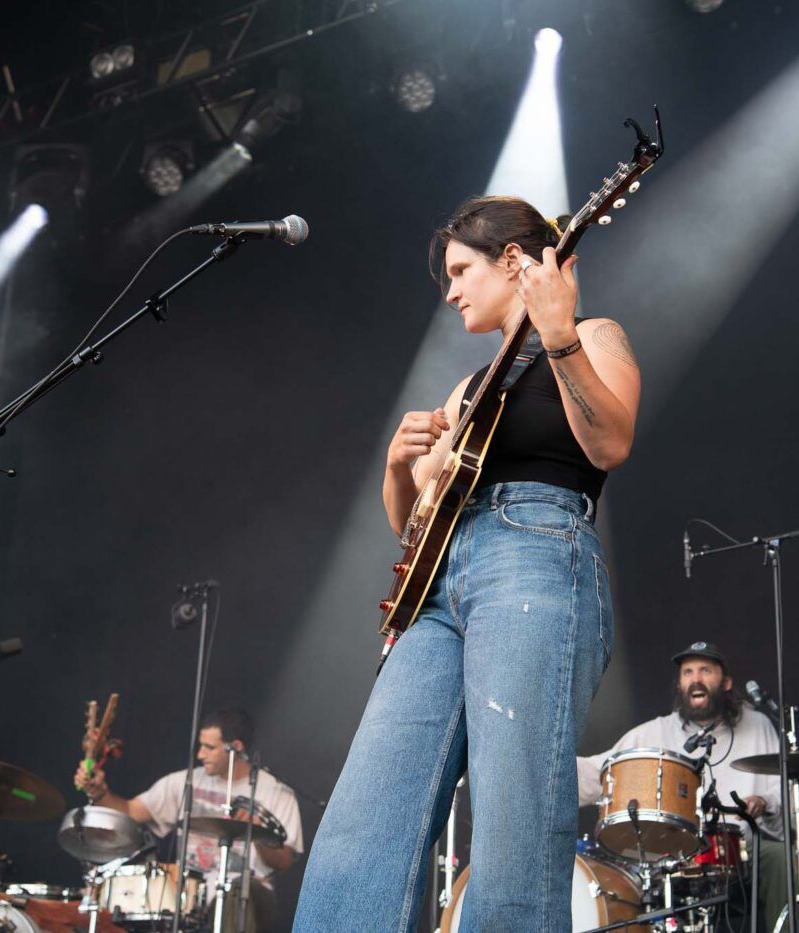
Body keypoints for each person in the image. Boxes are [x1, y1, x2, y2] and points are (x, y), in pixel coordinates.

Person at [293, 195, 642, 932]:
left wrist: (558, 336)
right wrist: (397, 469)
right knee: (365, 816)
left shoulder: (592, 334)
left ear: (513, 261)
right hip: (442, 587)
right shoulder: (465, 390)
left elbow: (609, 444)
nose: (450, 290)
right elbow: (418, 528)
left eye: (460, 270)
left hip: (537, 553)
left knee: (515, 819)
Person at [578, 642, 789, 930]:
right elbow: (599, 772)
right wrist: (544, 766)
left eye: (705, 670)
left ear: (726, 682)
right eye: (688, 672)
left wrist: (764, 802)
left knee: (780, 856)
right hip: (675, 851)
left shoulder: (759, 724)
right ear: (680, 684)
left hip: (740, 846)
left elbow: (783, 793)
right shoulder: (656, 731)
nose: (696, 679)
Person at [73, 707, 303, 926]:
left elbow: (284, 862)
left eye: (209, 747)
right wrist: (100, 792)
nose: (200, 754)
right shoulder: (185, 781)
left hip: (247, 896)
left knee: (239, 894)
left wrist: (257, 833)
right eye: (200, 746)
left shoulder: (275, 792)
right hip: (188, 894)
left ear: (236, 747)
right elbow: (131, 812)